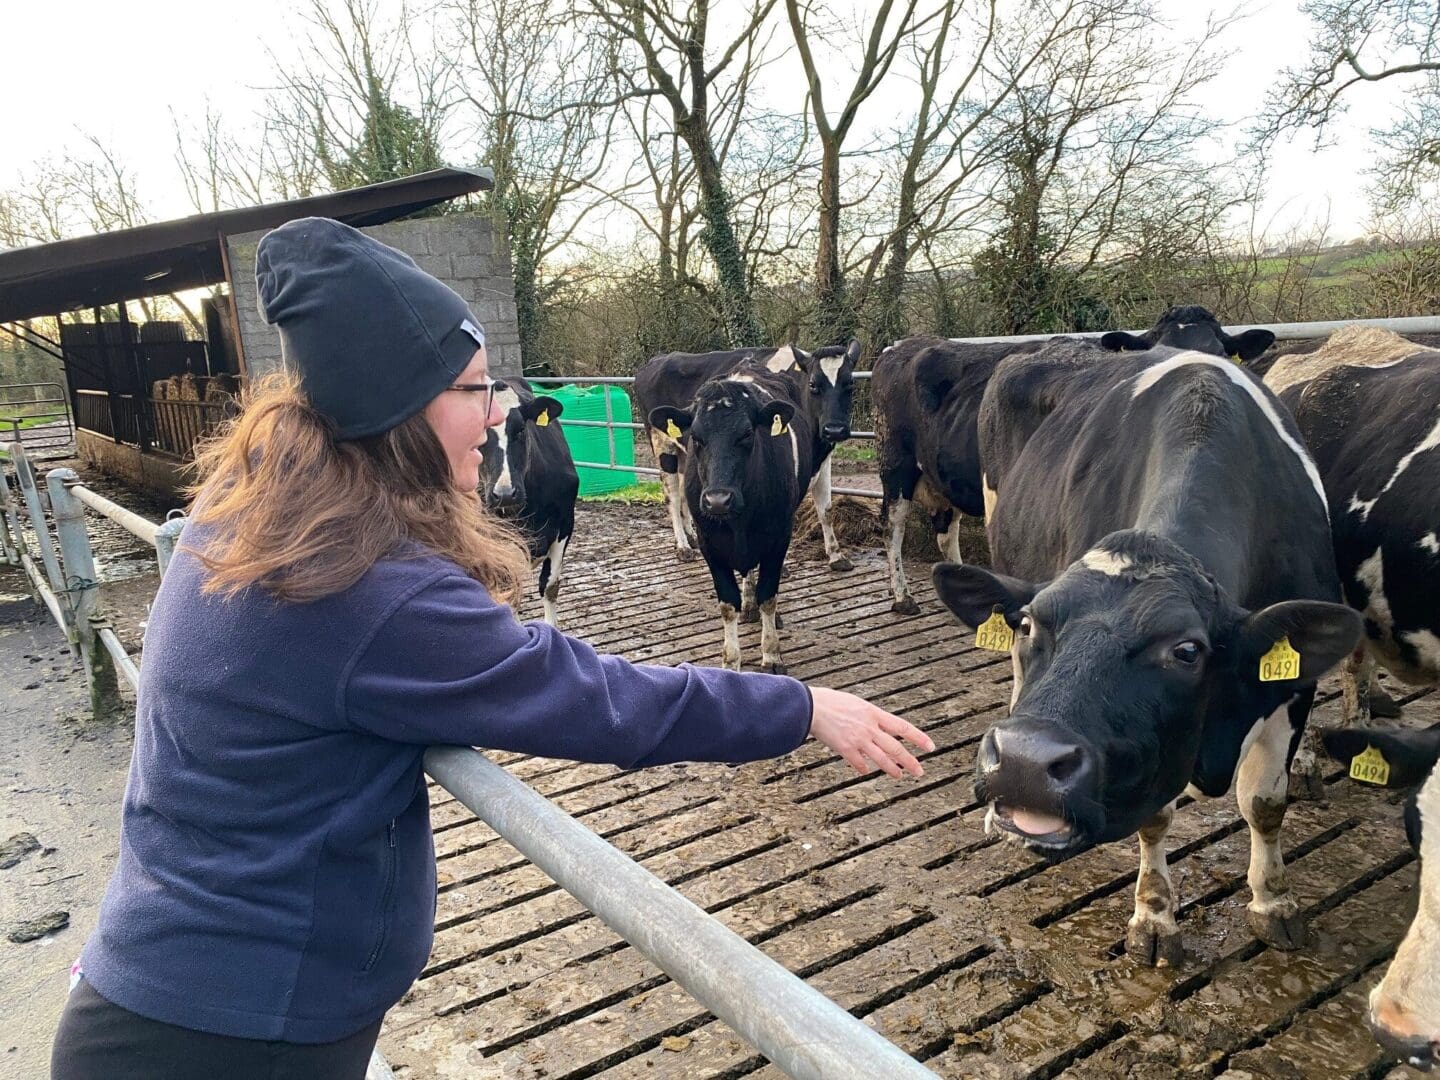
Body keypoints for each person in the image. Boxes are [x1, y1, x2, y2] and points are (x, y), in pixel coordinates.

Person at [49, 218, 934, 1079]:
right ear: (399, 405)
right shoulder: (367, 589)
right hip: (243, 1033)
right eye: (474, 389)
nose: (496, 414)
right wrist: (801, 705)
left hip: (161, 986)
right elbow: (603, 701)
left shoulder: (252, 508)